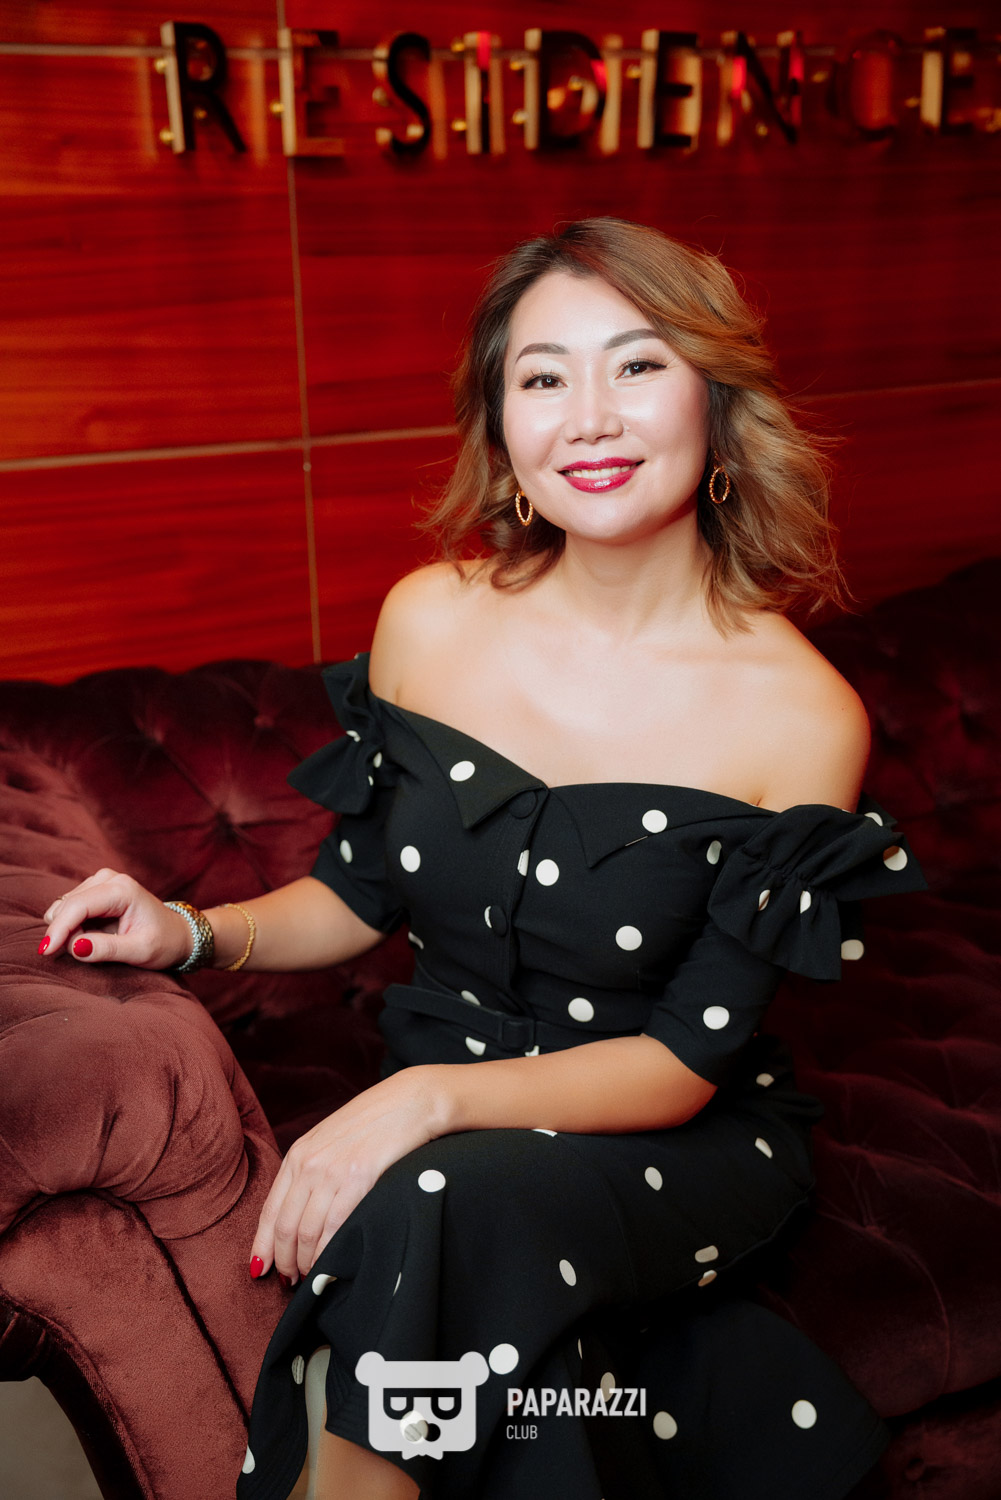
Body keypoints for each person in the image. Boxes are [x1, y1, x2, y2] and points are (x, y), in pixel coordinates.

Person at [38, 218, 928, 1500]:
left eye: (637, 364)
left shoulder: (800, 717)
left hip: (671, 1131)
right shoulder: (430, 618)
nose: (589, 418)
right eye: (541, 377)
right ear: (502, 429)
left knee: (431, 1200)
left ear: (715, 402)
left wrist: (420, 1102)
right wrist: (186, 930)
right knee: (499, 1335)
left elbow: (681, 1068)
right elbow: (356, 895)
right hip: (460, 1121)